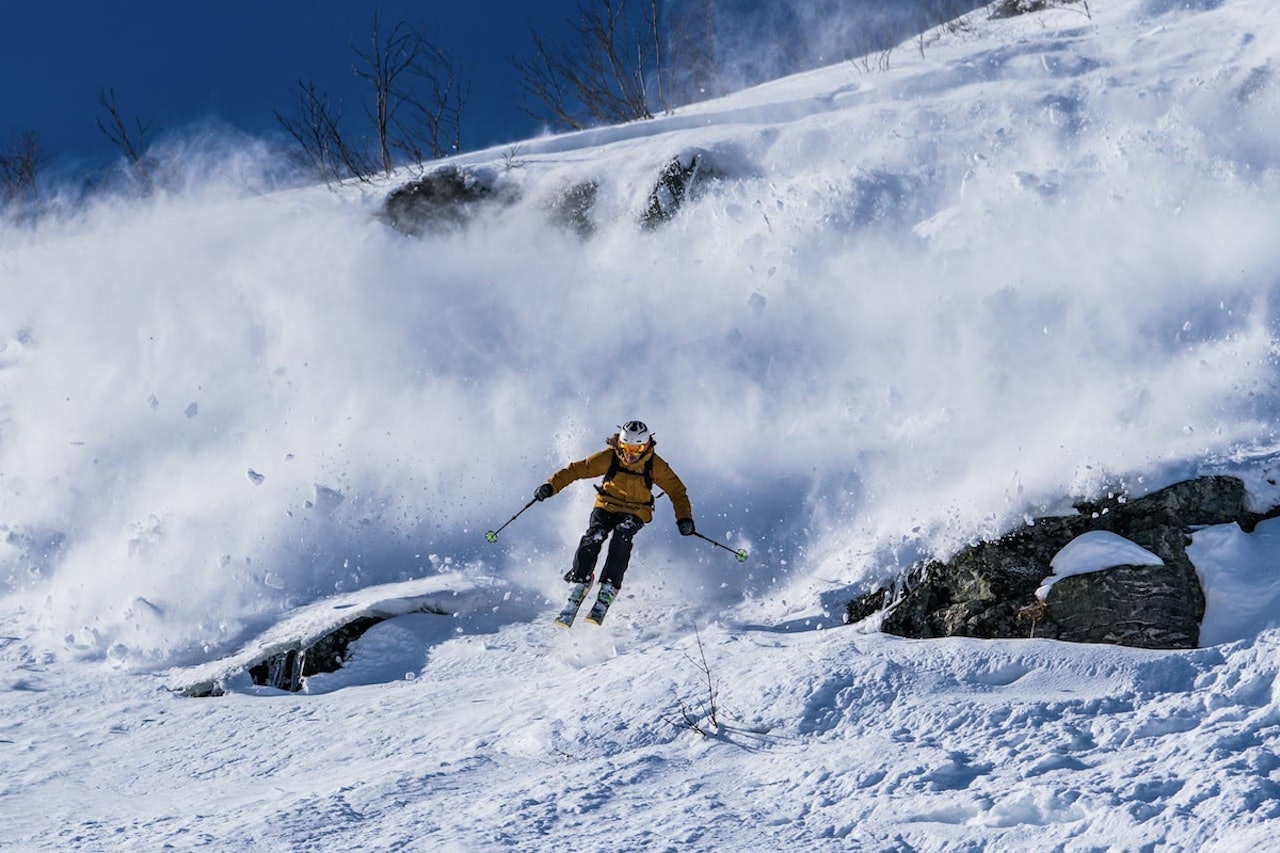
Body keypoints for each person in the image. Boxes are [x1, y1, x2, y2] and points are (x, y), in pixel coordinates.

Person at [535, 419, 695, 624]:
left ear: (647, 446)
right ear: (620, 443)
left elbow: (677, 490)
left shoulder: (655, 465)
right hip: (607, 504)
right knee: (595, 534)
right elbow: (578, 469)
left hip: (636, 510)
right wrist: (551, 486)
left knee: (622, 535)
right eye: (626, 446)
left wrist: (684, 518)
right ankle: (579, 581)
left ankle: (609, 586)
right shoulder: (610, 457)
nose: (630, 453)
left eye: (637, 448)